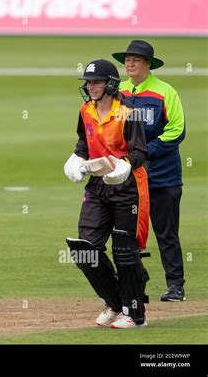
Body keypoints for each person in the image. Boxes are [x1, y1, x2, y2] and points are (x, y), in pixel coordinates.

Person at [64, 59, 150, 329]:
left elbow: (140, 152)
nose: (91, 87)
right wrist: (76, 159)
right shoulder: (86, 110)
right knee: (84, 250)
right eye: (88, 82)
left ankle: (135, 314)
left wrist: (125, 166)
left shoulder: (128, 112)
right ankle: (114, 302)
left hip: (127, 186)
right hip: (98, 186)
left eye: (96, 82)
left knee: (125, 250)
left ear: (110, 84)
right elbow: (83, 141)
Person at [112, 40, 187, 302]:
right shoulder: (118, 91)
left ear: (147, 64)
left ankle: (176, 286)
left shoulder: (165, 92)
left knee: (166, 232)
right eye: (127, 60)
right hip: (130, 177)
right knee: (129, 232)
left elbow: (177, 131)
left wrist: (144, 151)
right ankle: (135, 286)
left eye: (135, 60)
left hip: (162, 176)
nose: (130, 64)